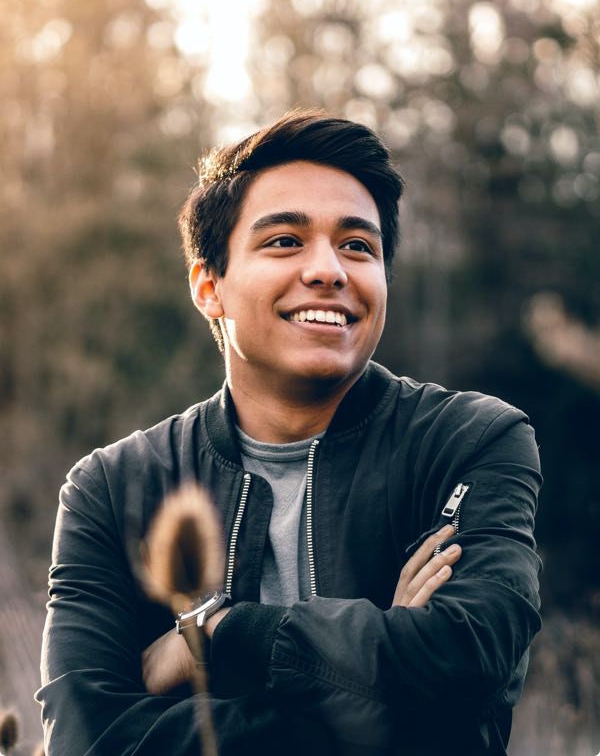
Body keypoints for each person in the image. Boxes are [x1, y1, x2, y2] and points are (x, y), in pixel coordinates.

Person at [36, 110, 542, 755]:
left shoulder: (468, 442)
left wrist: (219, 634)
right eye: (284, 241)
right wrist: (385, 684)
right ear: (209, 285)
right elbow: (84, 739)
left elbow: (470, 659)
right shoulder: (113, 488)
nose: (329, 269)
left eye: (358, 246)